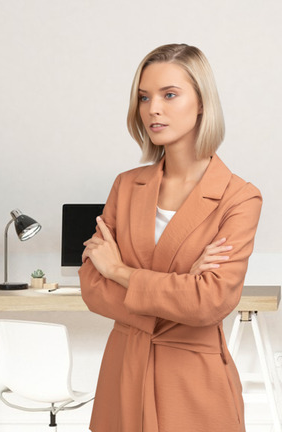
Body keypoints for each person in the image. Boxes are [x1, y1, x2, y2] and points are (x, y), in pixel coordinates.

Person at [79, 43, 262, 432]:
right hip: (123, 372)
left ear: (201, 103)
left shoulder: (239, 196)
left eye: (169, 95)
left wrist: (121, 272)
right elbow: (93, 287)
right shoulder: (126, 186)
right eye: (144, 97)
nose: (152, 109)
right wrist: (181, 289)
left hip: (192, 382)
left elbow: (210, 303)